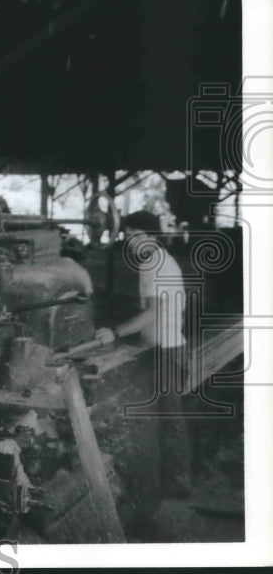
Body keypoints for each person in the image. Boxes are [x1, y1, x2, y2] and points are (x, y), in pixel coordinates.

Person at [94, 210, 193, 498]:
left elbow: (153, 311)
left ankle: (177, 485)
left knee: (170, 418)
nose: (130, 241)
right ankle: (171, 480)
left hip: (167, 351)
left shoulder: (153, 263)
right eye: (128, 235)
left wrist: (115, 332)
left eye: (135, 235)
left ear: (150, 236)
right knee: (168, 417)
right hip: (166, 346)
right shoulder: (163, 260)